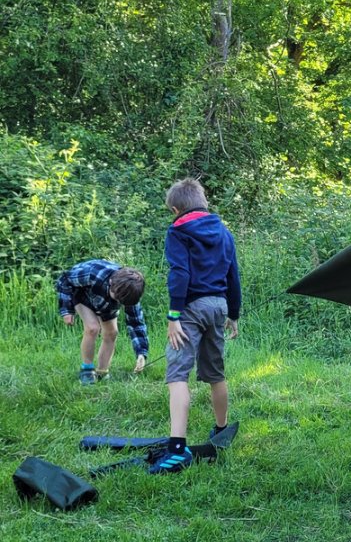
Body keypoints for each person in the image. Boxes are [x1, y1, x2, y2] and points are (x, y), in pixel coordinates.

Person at [151, 178, 241, 475]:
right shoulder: (224, 232)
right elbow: (233, 276)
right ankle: (221, 429)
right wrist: (234, 313)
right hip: (218, 306)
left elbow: (180, 272)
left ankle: (177, 451)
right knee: (215, 372)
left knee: (178, 374)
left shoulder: (178, 231)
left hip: (190, 308)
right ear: (204, 202)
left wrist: (173, 315)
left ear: (176, 208)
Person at [56, 260, 148, 384]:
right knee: (93, 328)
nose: (120, 301)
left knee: (112, 332)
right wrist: (66, 310)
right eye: (118, 298)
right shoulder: (93, 274)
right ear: (111, 283)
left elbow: (136, 323)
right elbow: (65, 279)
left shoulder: (129, 294)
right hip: (83, 295)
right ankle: (87, 369)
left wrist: (141, 353)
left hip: (106, 304)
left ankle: (102, 371)